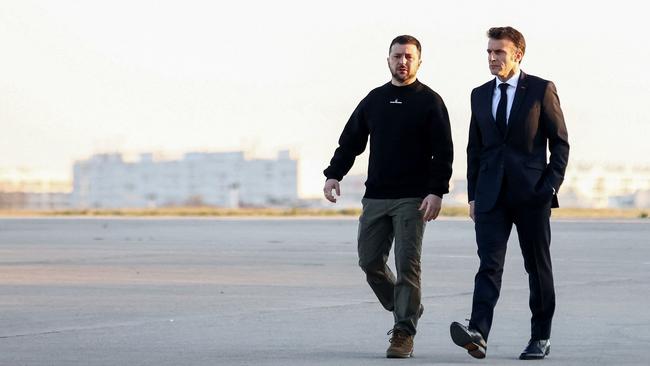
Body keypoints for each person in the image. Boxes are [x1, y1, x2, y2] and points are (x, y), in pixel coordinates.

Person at [323, 35, 453, 358]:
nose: (403, 62)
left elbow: (444, 152)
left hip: (414, 199)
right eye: (397, 56)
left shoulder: (431, 102)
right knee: (369, 261)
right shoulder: (374, 100)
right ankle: (407, 306)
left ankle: (403, 332)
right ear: (388, 60)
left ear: (419, 62)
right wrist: (333, 174)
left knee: (407, 266)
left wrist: (436, 191)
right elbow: (351, 141)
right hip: (376, 197)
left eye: (409, 57)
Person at [449, 26, 569, 360]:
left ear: (517, 54)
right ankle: (478, 333)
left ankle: (540, 337)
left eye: (499, 52)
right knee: (488, 265)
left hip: (532, 194)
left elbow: (560, 143)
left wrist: (548, 187)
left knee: (537, 267)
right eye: (489, 52)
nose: (492, 58)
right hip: (490, 196)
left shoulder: (541, 90)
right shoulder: (479, 94)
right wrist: (473, 195)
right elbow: (475, 148)